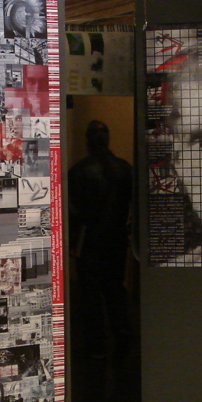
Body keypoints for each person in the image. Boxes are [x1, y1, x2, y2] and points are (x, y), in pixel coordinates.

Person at [69, 121, 134, 357]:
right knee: (115, 289)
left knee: (90, 295)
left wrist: (72, 243)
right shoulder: (125, 169)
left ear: (87, 141)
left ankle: (96, 345)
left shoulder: (78, 171)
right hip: (116, 239)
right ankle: (123, 338)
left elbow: (73, 212)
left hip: (89, 241)